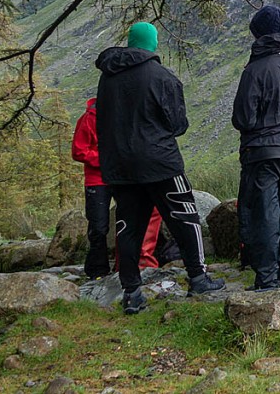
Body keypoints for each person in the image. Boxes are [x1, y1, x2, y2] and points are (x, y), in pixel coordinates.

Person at [95, 22, 224, 314]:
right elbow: (178, 124)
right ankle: (198, 277)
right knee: (185, 217)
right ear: (152, 43)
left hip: (120, 166)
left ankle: (132, 293)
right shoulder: (161, 76)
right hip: (160, 162)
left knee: (128, 227)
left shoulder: (107, 78)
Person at [232, 5, 280, 290]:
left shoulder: (254, 70)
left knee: (264, 215)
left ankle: (266, 279)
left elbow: (243, 118)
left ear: (259, 34)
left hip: (262, 153)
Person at [71, 97, 164, 279]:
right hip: (97, 180)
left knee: (127, 222)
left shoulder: (125, 115)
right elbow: (78, 151)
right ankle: (97, 271)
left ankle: (124, 266)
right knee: (98, 227)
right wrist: (106, 161)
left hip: (122, 178)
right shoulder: (89, 118)